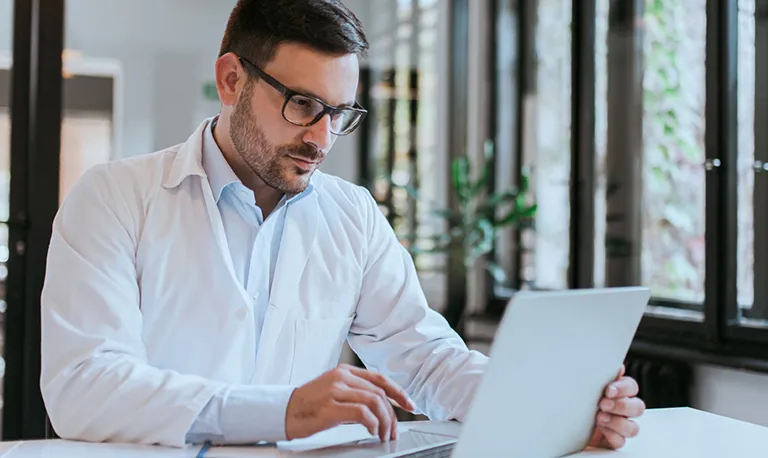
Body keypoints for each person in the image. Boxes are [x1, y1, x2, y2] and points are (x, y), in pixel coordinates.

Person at [40, 0, 645, 450]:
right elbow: (85, 387)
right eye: (303, 104)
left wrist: (551, 405)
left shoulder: (350, 214)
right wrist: (283, 411)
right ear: (231, 80)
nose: (322, 138)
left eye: (339, 114)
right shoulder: (115, 198)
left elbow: (424, 357)